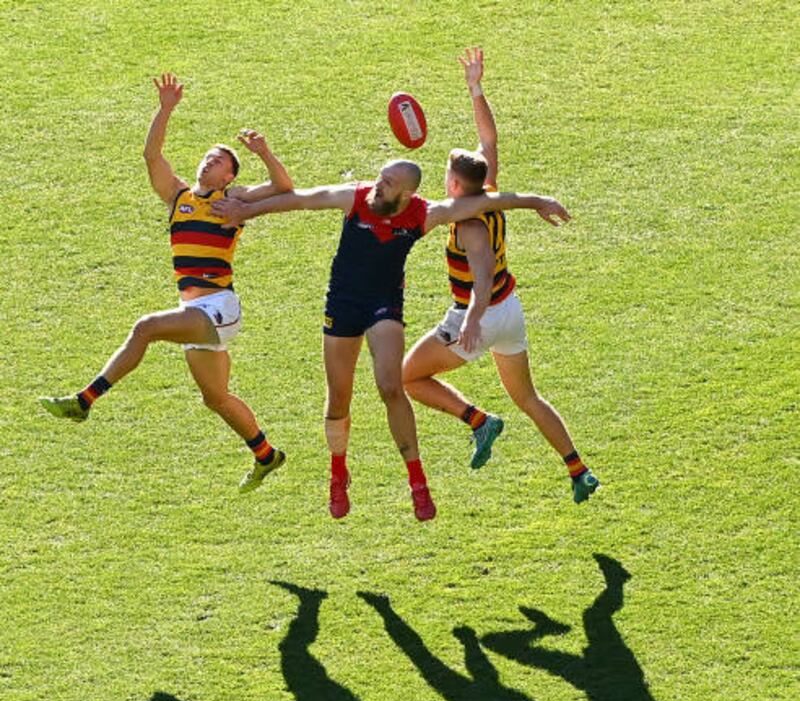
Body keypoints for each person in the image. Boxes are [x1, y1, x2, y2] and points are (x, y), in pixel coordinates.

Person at [212, 155, 570, 519]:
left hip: (384, 305)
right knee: (339, 398)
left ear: (406, 194)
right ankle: (338, 474)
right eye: (381, 177)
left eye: (388, 183)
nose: (378, 185)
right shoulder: (355, 197)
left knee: (391, 385)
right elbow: (301, 199)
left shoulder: (423, 214)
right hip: (343, 302)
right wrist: (246, 211)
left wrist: (538, 201)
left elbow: (489, 201)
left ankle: (418, 483)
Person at [39, 73, 293, 494]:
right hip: (198, 311)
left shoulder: (233, 201)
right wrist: (165, 109)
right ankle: (267, 456)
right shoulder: (179, 198)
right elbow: (151, 155)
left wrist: (264, 153)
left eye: (218, 161)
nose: (207, 162)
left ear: (229, 177)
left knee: (146, 328)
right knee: (216, 398)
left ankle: (85, 400)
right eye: (207, 157)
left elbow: (284, 188)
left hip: (219, 308)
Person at [402, 48, 599, 503]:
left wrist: (471, 319)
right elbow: (488, 142)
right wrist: (475, 88)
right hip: (511, 312)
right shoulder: (487, 192)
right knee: (528, 397)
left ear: (454, 187)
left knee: (408, 377)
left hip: (483, 312)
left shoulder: (467, 224)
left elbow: (484, 274)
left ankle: (478, 421)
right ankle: (578, 469)